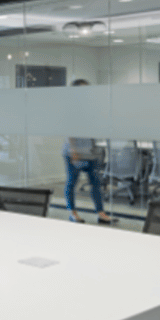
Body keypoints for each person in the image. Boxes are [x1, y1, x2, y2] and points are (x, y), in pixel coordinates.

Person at [62, 80, 112, 224]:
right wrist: (73, 150)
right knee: (72, 182)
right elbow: (68, 130)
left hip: (90, 150)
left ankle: (100, 212)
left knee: (96, 182)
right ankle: (72, 212)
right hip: (74, 151)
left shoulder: (90, 107)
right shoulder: (71, 108)